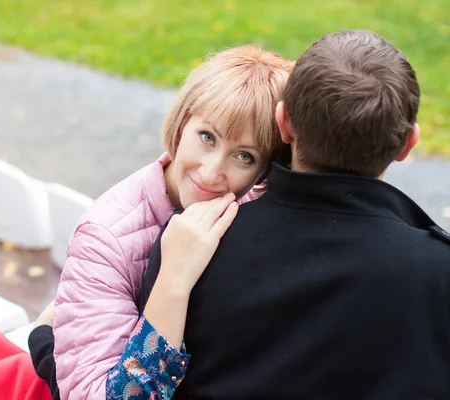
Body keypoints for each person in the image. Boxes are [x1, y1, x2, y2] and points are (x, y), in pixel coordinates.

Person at [140, 30, 450, 399]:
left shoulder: (191, 246)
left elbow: (145, 384)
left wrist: (47, 342)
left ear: (283, 123)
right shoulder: (438, 275)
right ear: (408, 144)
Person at [30, 44, 294, 399]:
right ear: (183, 122)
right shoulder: (106, 237)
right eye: (207, 137)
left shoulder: (257, 203)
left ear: (264, 170)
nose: (212, 171)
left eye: (244, 156)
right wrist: (172, 280)